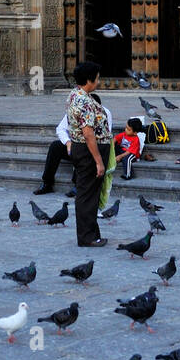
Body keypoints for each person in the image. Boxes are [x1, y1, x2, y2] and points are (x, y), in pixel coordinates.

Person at [66, 60, 112, 248]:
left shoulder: (76, 94)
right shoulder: (83, 100)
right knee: (87, 194)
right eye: (97, 78)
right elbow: (88, 132)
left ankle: (92, 233)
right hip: (88, 151)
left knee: (89, 193)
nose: (99, 81)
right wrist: (99, 161)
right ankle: (87, 237)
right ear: (89, 80)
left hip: (83, 149)